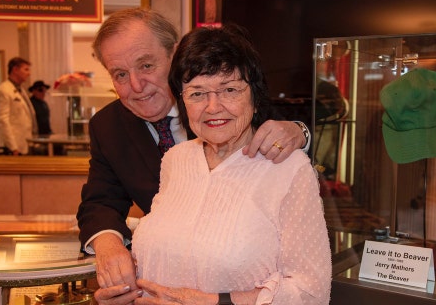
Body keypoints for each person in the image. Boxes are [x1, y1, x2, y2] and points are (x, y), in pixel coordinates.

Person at [75, 7, 309, 304]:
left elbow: (290, 129)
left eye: (146, 66)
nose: (136, 86)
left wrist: (300, 131)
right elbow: (100, 199)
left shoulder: (231, 97)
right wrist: (109, 246)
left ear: (175, 56)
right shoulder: (107, 126)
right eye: (120, 74)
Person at [131, 23, 331, 304]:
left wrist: (214, 301)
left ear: (255, 97)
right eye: (197, 93)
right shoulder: (176, 160)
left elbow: (310, 293)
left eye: (229, 90)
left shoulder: (288, 168)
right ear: (183, 101)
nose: (213, 107)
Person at [0, 57, 37, 155]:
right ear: (15, 70)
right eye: (26, 69)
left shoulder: (20, 89)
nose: (28, 73)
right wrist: (13, 147)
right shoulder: (3, 90)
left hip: (23, 143)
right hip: (11, 147)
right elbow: (2, 120)